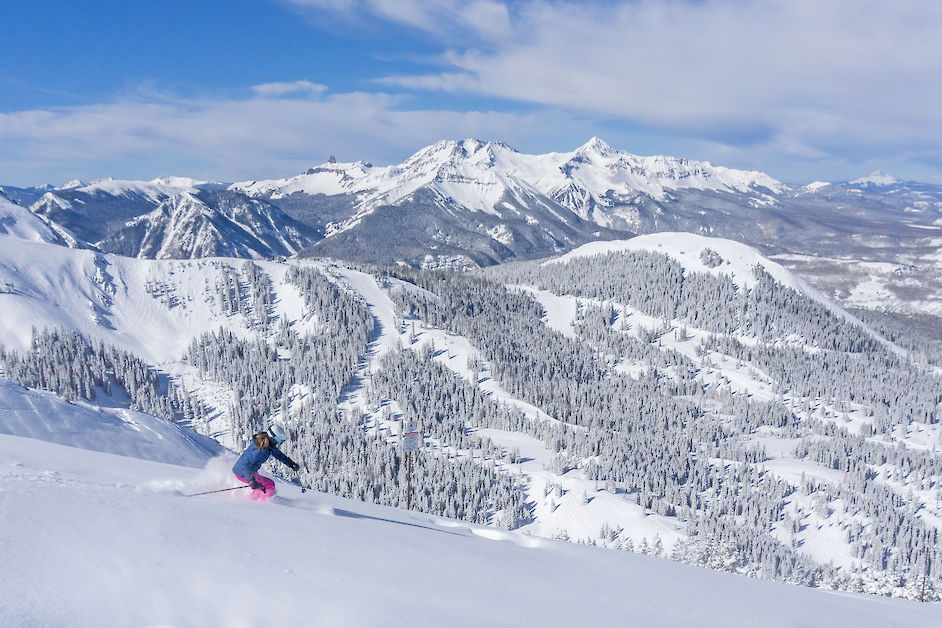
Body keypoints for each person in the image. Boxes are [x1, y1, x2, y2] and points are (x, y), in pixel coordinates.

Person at [232, 424, 300, 501]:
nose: (278, 444)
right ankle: (264, 504)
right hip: (243, 473)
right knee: (269, 484)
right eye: (279, 441)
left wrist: (291, 463)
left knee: (261, 486)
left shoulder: (268, 446)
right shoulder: (260, 450)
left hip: (250, 472)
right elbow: (244, 464)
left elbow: (279, 455)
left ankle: (253, 501)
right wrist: (251, 480)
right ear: (272, 438)